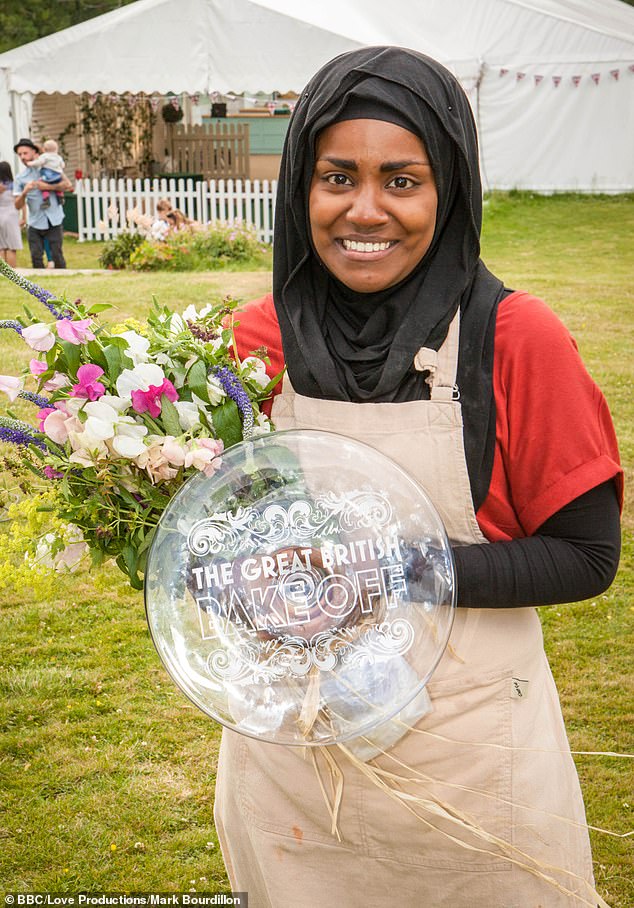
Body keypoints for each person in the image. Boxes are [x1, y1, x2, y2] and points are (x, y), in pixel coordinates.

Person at [213, 47, 623, 907]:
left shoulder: (515, 339)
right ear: (300, 188)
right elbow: (225, 539)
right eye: (337, 177)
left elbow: (586, 557)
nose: (365, 210)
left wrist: (384, 569)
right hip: (293, 765)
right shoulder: (253, 344)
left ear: (451, 190)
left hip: (471, 765)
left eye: (402, 180)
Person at [13, 137, 73, 269]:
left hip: (54, 220)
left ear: (34, 152)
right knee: (36, 257)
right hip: (35, 222)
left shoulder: (50, 168)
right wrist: (24, 192)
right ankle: (39, 287)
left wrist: (48, 187)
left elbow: (68, 184)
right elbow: (16, 205)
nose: (23, 157)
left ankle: (64, 283)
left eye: (25, 153)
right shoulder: (20, 178)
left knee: (57, 255)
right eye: (20, 154)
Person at [30, 138, 65, 208]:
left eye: (37, 153)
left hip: (55, 215)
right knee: (57, 181)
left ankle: (46, 199)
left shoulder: (44, 158)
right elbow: (63, 165)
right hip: (57, 176)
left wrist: (47, 187)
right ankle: (60, 196)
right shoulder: (58, 158)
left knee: (44, 183)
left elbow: (67, 185)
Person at [0, 161, 23, 268]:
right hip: (11, 216)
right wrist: (24, 217)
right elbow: (20, 201)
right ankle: (12, 273)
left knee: (1, 247)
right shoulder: (14, 185)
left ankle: (2, 274)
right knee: (11, 247)